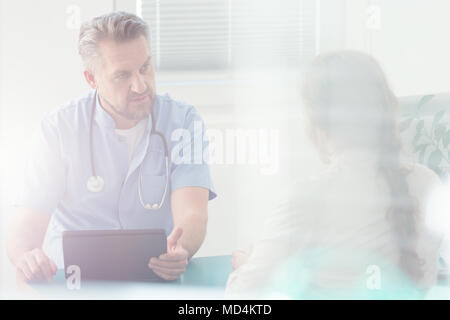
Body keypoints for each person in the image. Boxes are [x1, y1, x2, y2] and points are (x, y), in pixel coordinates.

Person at [7, 11, 216, 283]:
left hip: (154, 277)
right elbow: (26, 224)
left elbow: (193, 214)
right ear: (92, 79)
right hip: (74, 282)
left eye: (145, 67)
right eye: (122, 75)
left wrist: (181, 248)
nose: (140, 85)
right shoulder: (59, 128)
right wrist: (27, 255)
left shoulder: (183, 121)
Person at [226, 51, 443, 298]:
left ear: (316, 120)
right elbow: (423, 283)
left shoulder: (308, 197)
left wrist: (249, 267)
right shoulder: (428, 184)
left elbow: (240, 295)